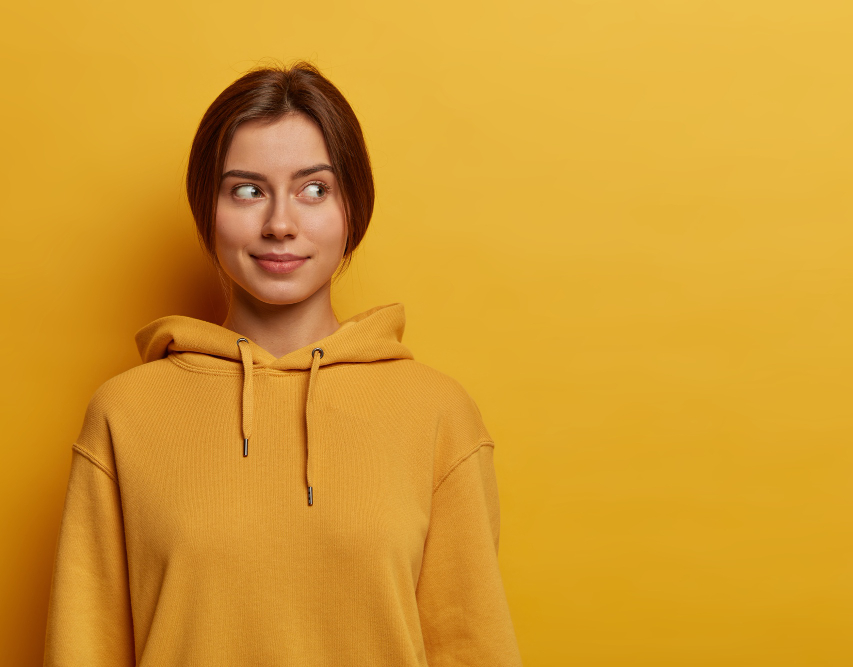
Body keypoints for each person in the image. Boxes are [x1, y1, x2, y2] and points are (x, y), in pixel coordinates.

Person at [42, 62, 522, 666]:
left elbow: (471, 648)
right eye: (247, 190)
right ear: (206, 209)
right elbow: (83, 649)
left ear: (354, 208)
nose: (280, 224)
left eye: (314, 189)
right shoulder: (125, 415)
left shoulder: (438, 416)